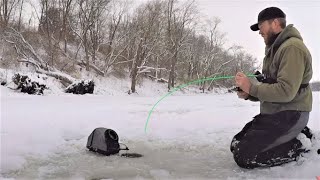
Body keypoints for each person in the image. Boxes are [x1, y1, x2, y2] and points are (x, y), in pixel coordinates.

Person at [231, 7, 314, 169]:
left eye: (261, 26)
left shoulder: (292, 48)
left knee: (244, 156)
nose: (259, 31)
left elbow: (286, 91)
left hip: (290, 114)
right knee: (236, 144)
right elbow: (271, 87)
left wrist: (251, 87)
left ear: (275, 23)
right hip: (274, 113)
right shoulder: (274, 50)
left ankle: (302, 143)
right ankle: (297, 135)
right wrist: (249, 93)